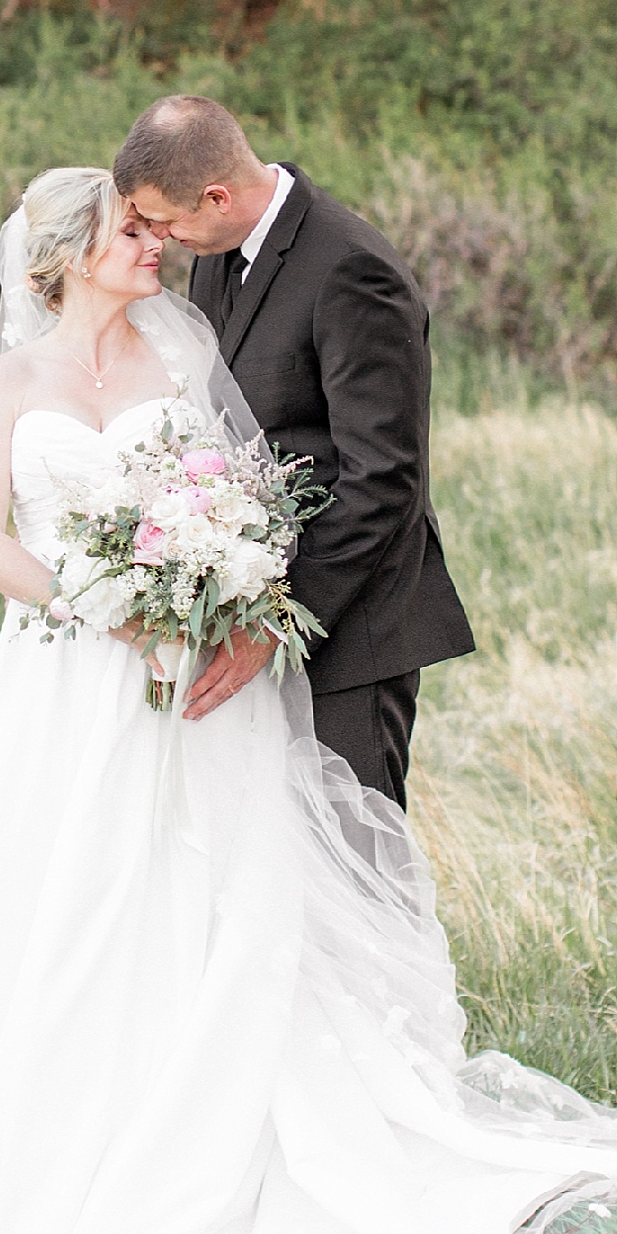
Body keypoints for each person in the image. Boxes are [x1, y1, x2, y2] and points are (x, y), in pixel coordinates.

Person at [0, 166, 617, 1234]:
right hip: (65, 672)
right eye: (132, 231)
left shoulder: (182, 361)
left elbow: (241, 493)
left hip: (198, 670)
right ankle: (58, 1139)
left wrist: (212, 578)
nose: (156, 244)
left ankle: (229, 1125)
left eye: (153, 223)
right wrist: (103, 606)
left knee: (214, 887)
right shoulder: (8, 382)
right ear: (72, 254)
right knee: (72, 894)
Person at [112, 97, 471, 811]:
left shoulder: (352, 269)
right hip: (247, 611)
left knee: (354, 845)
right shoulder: (217, 254)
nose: (163, 239)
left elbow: (384, 479)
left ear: (218, 197)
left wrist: (277, 620)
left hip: (350, 628)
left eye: (168, 221)